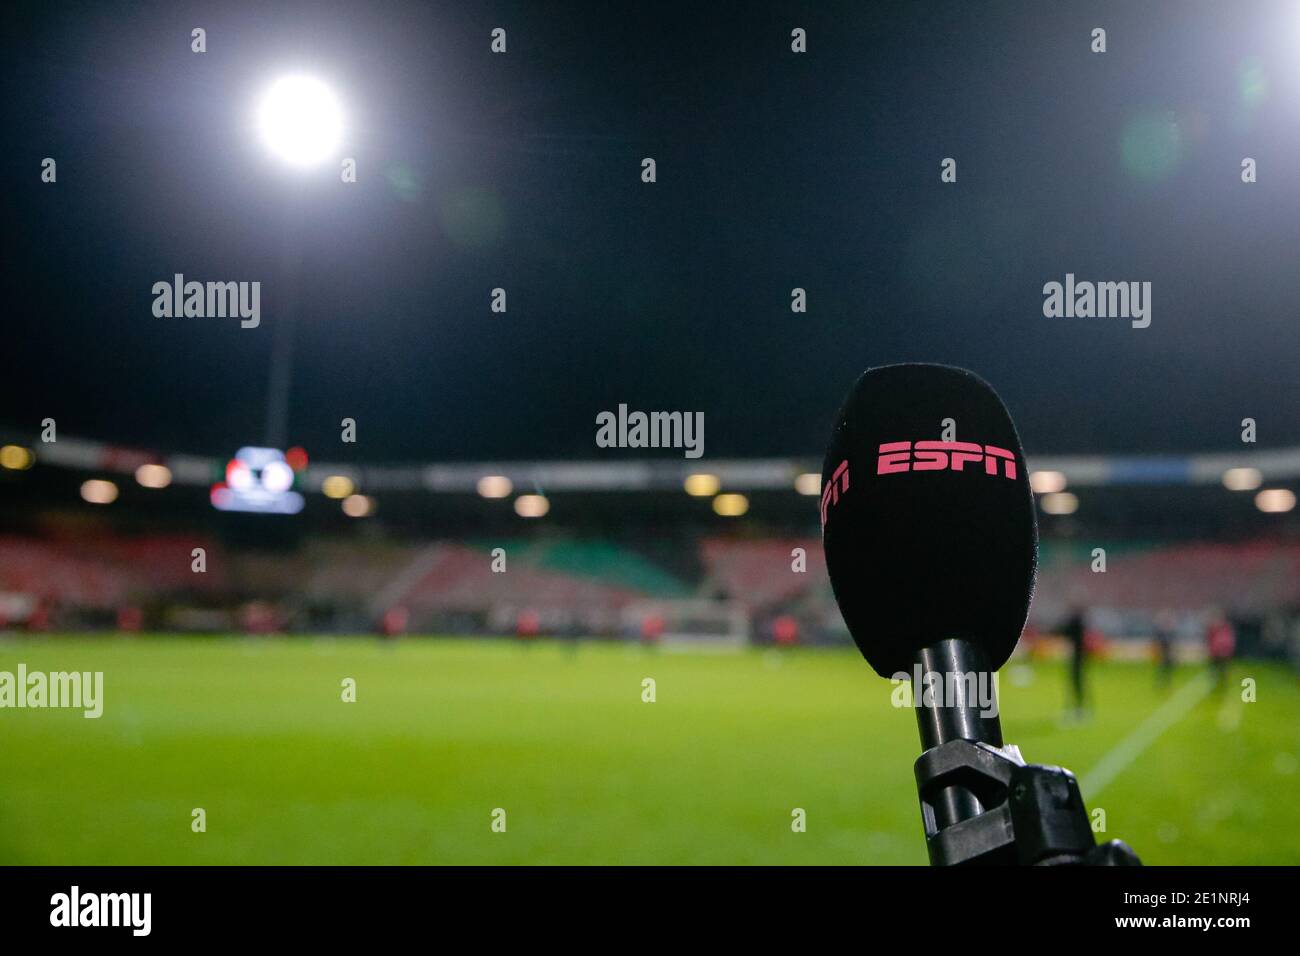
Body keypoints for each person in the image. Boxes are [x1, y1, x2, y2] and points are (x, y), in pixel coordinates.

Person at [1061, 606, 1088, 719]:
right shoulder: (1080, 622)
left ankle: (1079, 708)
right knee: (1075, 682)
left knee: (1076, 682)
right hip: (1078, 656)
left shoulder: (1077, 622)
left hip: (1077, 656)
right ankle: (1077, 708)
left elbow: (1065, 631)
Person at [1205, 608, 1236, 689]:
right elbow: (1209, 640)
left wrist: (1227, 649)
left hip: (1224, 652)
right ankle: (1215, 682)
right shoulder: (1213, 629)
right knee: (1215, 669)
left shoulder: (1226, 629)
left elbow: (1229, 640)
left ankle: (1223, 683)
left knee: (1223, 669)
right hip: (1215, 652)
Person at [1153, 609, 1176, 689]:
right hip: (1162, 654)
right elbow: (1157, 643)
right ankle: (1160, 684)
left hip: (1168, 654)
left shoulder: (1171, 633)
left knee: (1168, 671)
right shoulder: (1160, 633)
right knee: (1161, 670)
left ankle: (1169, 685)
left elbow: (1173, 645)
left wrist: (1173, 654)